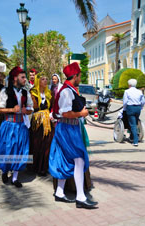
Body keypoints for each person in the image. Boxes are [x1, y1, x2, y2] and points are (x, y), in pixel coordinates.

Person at [49, 62, 98, 209]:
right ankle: (80, 197)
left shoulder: (69, 89)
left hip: (68, 127)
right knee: (79, 160)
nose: (80, 77)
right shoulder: (66, 91)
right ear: (75, 76)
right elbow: (65, 113)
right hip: (67, 128)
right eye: (80, 75)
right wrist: (82, 113)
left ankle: (59, 192)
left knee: (67, 159)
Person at [0, 66, 33, 188]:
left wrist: (25, 111)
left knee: (20, 151)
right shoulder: (5, 92)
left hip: (21, 126)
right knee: (6, 149)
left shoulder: (25, 93)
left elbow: (30, 108)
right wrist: (12, 109)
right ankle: (5, 171)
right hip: (8, 125)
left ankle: (15, 177)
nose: (25, 79)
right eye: (22, 77)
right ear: (15, 78)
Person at [29, 72, 54, 176]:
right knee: (37, 143)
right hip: (37, 121)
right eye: (43, 79)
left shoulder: (49, 93)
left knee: (47, 143)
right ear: (38, 81)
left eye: (46, 79)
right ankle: (35, 166)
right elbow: (33, 107)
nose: (45, 81)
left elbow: (51, 106)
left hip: (48, 121)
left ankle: (44, 167)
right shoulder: (33, 92)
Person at [123, 79, 145, 146]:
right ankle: (132, 137)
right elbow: (143, 101)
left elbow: (125, 102)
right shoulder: (139, 91)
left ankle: (135, 141)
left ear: (129, 85)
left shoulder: (127, 91)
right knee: (135, 122)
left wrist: (124, 109)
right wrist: (141, 107)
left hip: (130, 108)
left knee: (133, 124)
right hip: (138, 108)